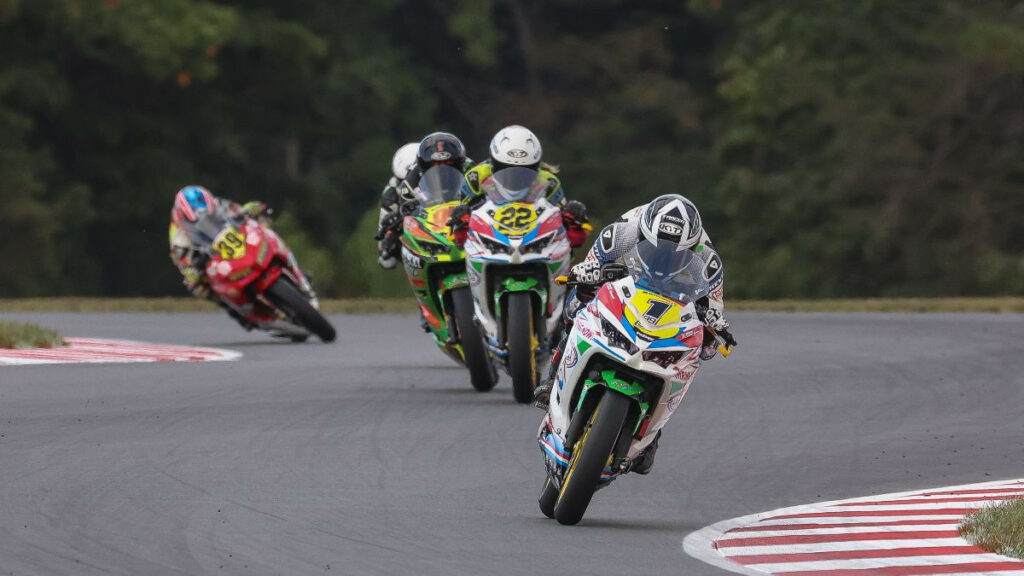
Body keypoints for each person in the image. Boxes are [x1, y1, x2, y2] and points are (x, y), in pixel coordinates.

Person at [533, 194, 737, 474]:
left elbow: (714, 307)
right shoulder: (621, 232)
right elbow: (589, 264)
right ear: (644, 233)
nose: (666, 256)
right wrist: (587, 275)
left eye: (675, 252)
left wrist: (713, 328)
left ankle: (651, 437)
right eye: (658, 248)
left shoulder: (707, 258)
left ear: (691, 245)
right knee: (575, 306)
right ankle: (553, 374)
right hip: (626, 289)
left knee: (693, 356)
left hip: (670, 307)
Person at [450, 125, 589, 248]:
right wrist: (461, 216)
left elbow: (570, 236)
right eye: (507, 169)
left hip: (536, 246)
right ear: (493, 164)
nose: (515, 176)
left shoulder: (549, 182)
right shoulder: (476, 177)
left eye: (525, 170)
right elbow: (459, 229)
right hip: (489, 245)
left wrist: (574, 217)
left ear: (536, 167)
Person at [169, 185, 269, 328]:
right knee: (197, 287)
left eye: (209, 215)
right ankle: (235, 311)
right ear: (182, 217)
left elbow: (240, 211)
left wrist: (251, 210)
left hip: (230, 237)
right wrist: (192, 269)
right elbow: (183, 265)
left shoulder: (216, 203)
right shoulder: (177, 238)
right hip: (206, 251)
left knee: (263, 225)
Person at [375, 133, 474, 269]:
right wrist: (391, 232)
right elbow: (385, 254)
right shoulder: (397, 190)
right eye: (434, 168)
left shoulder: (470, 167)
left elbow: (488, 190)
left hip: (465, 224)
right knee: (389, 258)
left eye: (448, 166)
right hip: (430, 229)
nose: (441, 173)